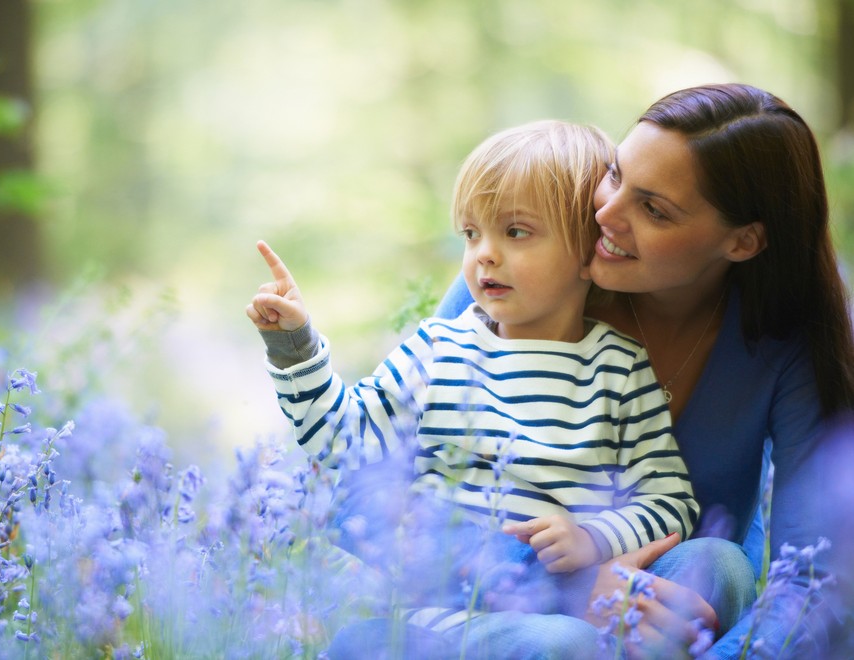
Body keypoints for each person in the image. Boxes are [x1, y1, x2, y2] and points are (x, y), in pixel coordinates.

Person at [247, 120, 701, 655]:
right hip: (441, 612)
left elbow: (671, 500)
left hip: (557, 611)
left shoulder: (618, 367)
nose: (484, 253)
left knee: (609, 618)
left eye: (516, 232)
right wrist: (294, 345)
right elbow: (344, 440)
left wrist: (593, 538)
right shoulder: (439, 349)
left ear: (589, 250)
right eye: (471, 233)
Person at [433, 83, 854, 657]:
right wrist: (566, 587)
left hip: (676, 608)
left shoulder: (785, 341)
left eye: (653, 209)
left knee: (717, 561)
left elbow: (818, 579)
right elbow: (387, 489)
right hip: (496, 597)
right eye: (613, 175)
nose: (604, 214)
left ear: (743, 241)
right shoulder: (524, 276)